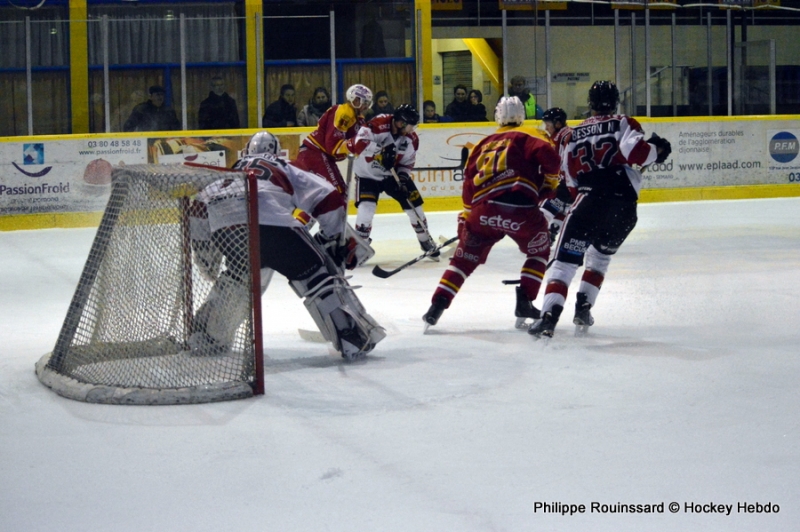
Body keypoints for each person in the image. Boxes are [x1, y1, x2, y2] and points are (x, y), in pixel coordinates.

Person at [190, 131, 385, 360]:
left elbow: (197, 207)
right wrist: (334, 239)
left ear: (247, 152)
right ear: (276, 152)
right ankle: (352, 338)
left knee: (239, 277)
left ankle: (206, 337)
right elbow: (328, 196)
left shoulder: (232, 172)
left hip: (228, 230)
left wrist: (203, 250)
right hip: (273, 225)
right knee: (318, 275)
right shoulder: (284, 165)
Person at [528, 81, 671, 339]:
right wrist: (657, 150)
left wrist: (578, 200)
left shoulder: (574, 132)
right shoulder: (624, 122)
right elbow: (638, 154)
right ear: (615, 101)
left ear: (590, 103)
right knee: (600, 257)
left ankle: (549, 319)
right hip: (625, 208)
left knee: (564, 264)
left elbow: (568, 176)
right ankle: (583, 308)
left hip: (589, 200)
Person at [422, 96, 561, 329]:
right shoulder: (532, 134)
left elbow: (468, 185)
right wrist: (549, 184)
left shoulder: (481, 143)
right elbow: (551, 160)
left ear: (497, 116)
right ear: (522, 116)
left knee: (463, 260)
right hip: (521, 211)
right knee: (539, 251)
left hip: (482, 211)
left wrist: (466, 219)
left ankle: (437, 306)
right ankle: (525, 300)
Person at [350, 104, 438, 258]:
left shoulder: (411, 139)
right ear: (401, 122)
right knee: (366, 209)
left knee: (415, 208)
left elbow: (407, 163)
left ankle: (425, 240)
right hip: (367, 174)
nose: (412, 130)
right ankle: (360, 247)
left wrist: (403, 179)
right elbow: (358, 143)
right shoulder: (379, 124)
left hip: (393, 176)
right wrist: (381, 150)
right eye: (411, 125)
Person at [293, 83, 373, 198]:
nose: (366, 106)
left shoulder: (357, 118)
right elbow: (333, 146)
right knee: (335, 194)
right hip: (314, 153)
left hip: (319, 155)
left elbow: (358, 143)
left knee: (336, 194)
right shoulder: (344, 113)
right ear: (354, 100)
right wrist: (354, 144)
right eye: (363, 102)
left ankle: (308, 216)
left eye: (367, 103)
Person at [539, 107, 573, 245]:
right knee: (564, 207)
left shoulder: (563, 136)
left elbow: (561, 161)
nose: (546, 127)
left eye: (548, 124)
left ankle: (537, 235)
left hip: (567, 181)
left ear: (558, 123)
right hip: (575, 182)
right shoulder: (566, 133)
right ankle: (552, 232)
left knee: (545, 210)